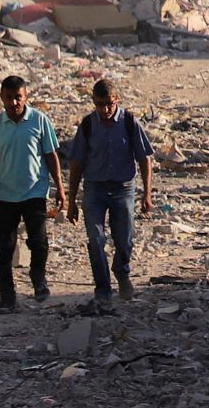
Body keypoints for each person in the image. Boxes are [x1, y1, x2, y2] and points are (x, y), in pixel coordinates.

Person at [0, 76, 64, 310]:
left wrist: (61, 189)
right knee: (4, 247)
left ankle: (38, 279)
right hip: (5, 194)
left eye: (18, 97)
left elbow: (51, 156)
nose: (14, 102)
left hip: (35, 191)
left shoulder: (39, 120)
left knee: (39, 242)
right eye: (9, 97)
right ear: (1, 98)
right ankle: (7, 296)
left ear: (26, 97)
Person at [64, 79, 154, 304]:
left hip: (123, 189)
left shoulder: (129, 122)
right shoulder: (87, 125)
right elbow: (77, 163)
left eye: (109, 104)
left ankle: (122, 271)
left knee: (124, 240)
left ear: (117, 101)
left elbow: (144, 159)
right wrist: (72, 199)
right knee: (95, 238)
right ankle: (102, 289)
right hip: (95, 189)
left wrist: (147, 193)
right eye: (99, 104)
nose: (105, 110)